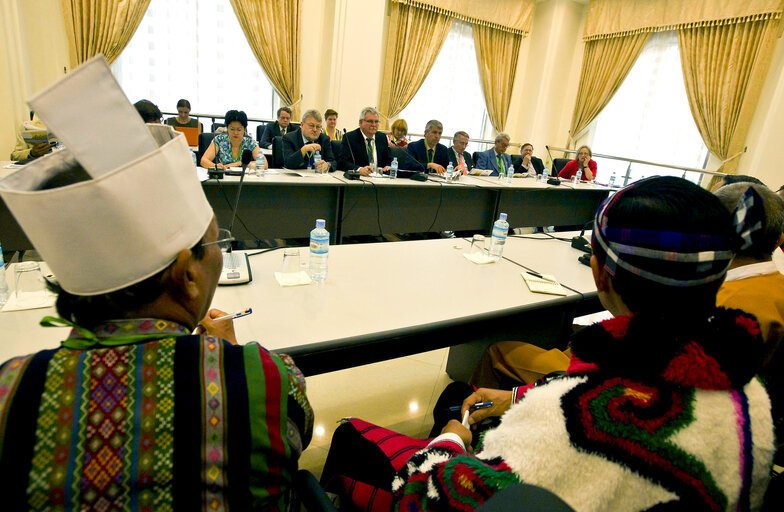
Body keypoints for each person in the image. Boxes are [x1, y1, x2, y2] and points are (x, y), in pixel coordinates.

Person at [321, 177, 774, 511]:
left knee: (351, 436)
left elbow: (426, 499)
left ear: (600, 273)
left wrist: (451, 441)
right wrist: (518, 397)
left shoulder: (570, 414)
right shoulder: (750, 398)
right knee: (459, 397)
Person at [0, 58, 313, 510]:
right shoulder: (263, 378)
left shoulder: (12, 393)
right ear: (188, 275)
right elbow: (292, 436)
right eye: (215, 241)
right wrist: (230, 355)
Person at [200, 109, 264, 169]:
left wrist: (239, 164)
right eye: (232, 129)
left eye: (239, 130)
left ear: (244, 129)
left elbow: (264, 163)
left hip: (244, 178)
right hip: (224, 177)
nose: (235, 133)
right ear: (227, 128)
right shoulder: (219, 140)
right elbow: (203, 161)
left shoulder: (250, 142)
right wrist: (216, 166)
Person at [341, 107, 393, 176]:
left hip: (380, 179)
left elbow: (390, 159)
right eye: (370, 121)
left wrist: (389, 166)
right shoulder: (350, 138)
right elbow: (342, 162)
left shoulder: (382, 137)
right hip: (360, 179)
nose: (374, 125)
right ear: (360, 122)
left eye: (376, 121)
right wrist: (359, 169)